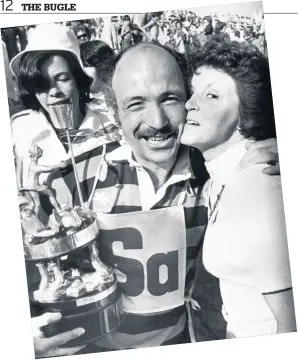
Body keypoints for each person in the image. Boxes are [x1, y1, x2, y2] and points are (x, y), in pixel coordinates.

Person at [29, 42, 280, 358]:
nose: (157, 121)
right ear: (115, 111)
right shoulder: (70, 182)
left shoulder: (217, 172)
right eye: (135, 104)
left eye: (170, 99)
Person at [181, 39, 295, 339]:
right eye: (193, 92)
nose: (191, 103)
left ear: (247, 116)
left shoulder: (256, 185)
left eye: (212, 95)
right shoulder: (220, 179)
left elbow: (290, 325)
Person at [10, 23, 119, 191]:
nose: (53, 91)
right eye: (41, 85)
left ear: (77, 79)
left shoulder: (111, 124)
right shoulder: (21, 129)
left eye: (62, 79)